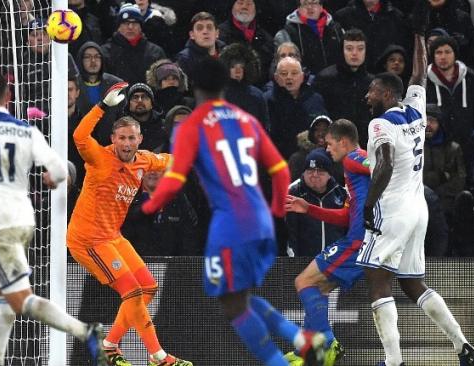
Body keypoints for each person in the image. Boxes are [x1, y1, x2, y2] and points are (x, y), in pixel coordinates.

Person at [141, 58, 327, 366]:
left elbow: (174, 179)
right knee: (239, 296)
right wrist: (278, 208)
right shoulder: (245, 119)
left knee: (231, 304)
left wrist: (150, 205)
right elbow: (280, 170)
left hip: (231, 222)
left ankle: (280, 361)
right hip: (260, 220)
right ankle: (302, 339)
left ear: (193, 86)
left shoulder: (191, 126)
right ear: (224, 85)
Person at [0, 72, 106, 366]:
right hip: (24, 220)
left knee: (20, 299)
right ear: (7, 97)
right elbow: (59, 169)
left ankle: (85, 331)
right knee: (0, 290)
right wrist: (51, 179)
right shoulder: (26, 130)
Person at [361, 22, 474, 366]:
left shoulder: (379, 124)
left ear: (385, 94)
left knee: (378, 283)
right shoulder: (415, 109)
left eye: (371, 91)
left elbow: (382, 164)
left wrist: (368, 205)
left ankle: (393, 362)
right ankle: (462, 345)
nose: (367, 96)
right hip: (418, 208)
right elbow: (419, 77)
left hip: (392, 208)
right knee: (413, 283)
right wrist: (419, 38)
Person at [66, 81, 192, 366]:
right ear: (113, 138)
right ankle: (159, 358)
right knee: (132, 291)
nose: (125, 144)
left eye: (131, 138)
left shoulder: (143, 160)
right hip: (87, 240)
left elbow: (169, 160)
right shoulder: (99, 158)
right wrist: (101, 107)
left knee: (148, 287)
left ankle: (109, 344)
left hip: (112, 236)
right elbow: (80, 135)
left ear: (139, 139)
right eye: (121, 138)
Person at [283, 119, 369, 366]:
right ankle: (309, 353)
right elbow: (345, 215)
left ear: (343, 141)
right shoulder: (352, 170)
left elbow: (383, 166)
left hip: (357, 241)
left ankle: (329, 342)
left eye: (330, 144)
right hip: (359, 238)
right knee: (317, 289)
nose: (328, 150)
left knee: (303, 281)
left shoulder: (354, 158)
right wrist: (309, 208)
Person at [286, 148, 348, 258]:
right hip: (300, 261)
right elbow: (287, 232)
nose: (314, 174)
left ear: (329, 174)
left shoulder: (342, 194)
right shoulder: (291, 193)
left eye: (320, 171)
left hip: (335, 261)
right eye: (310, 170)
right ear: (303, 173)